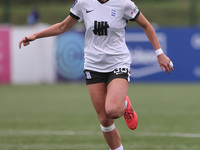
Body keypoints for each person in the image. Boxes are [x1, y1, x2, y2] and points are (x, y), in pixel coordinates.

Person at [19, 0, 174, 149]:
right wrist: (35, 36)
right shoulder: (83, 3)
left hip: (118, 63)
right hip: (93, 65)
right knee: (105, 120)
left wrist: (159, 53)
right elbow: (62, 26)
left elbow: (146, 25)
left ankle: (124, 104)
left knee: (113, 110)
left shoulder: (124, 3)